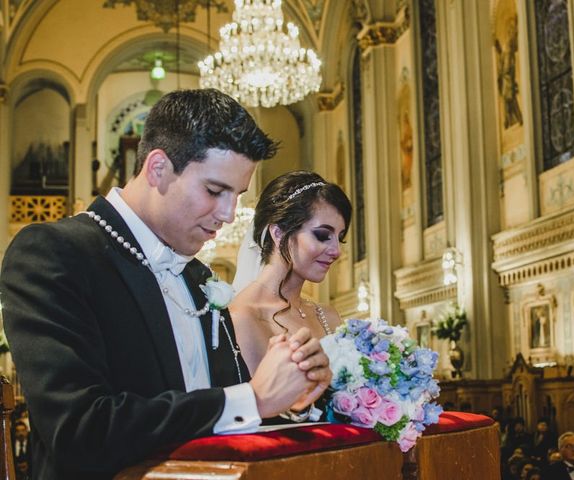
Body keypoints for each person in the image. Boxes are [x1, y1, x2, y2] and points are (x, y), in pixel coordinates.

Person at [0, 89, 332, 480]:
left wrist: (291, 393)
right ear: (158, 168)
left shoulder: (200, 278)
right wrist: (254, 399)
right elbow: (79, 429)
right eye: (214, 190)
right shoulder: (55, 254)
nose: (227, 214)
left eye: (237, 195)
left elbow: (225, 402)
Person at [230, 170, 352, 375]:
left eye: (339, 238)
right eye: (323, 235)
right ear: (278, 233)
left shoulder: (328, 315)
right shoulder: (243, 316)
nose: (336, 252)